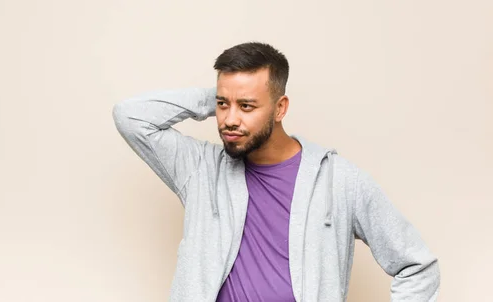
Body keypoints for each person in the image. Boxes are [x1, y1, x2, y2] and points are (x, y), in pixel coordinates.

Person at [112, 42, 440, 302]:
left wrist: (230, 99)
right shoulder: (201, 170)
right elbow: (130, 117)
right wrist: (215, 98)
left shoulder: (339, 181)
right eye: (223, 105)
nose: (229, 120)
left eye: (247, 106)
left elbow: (417, 265)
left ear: (280, 108)